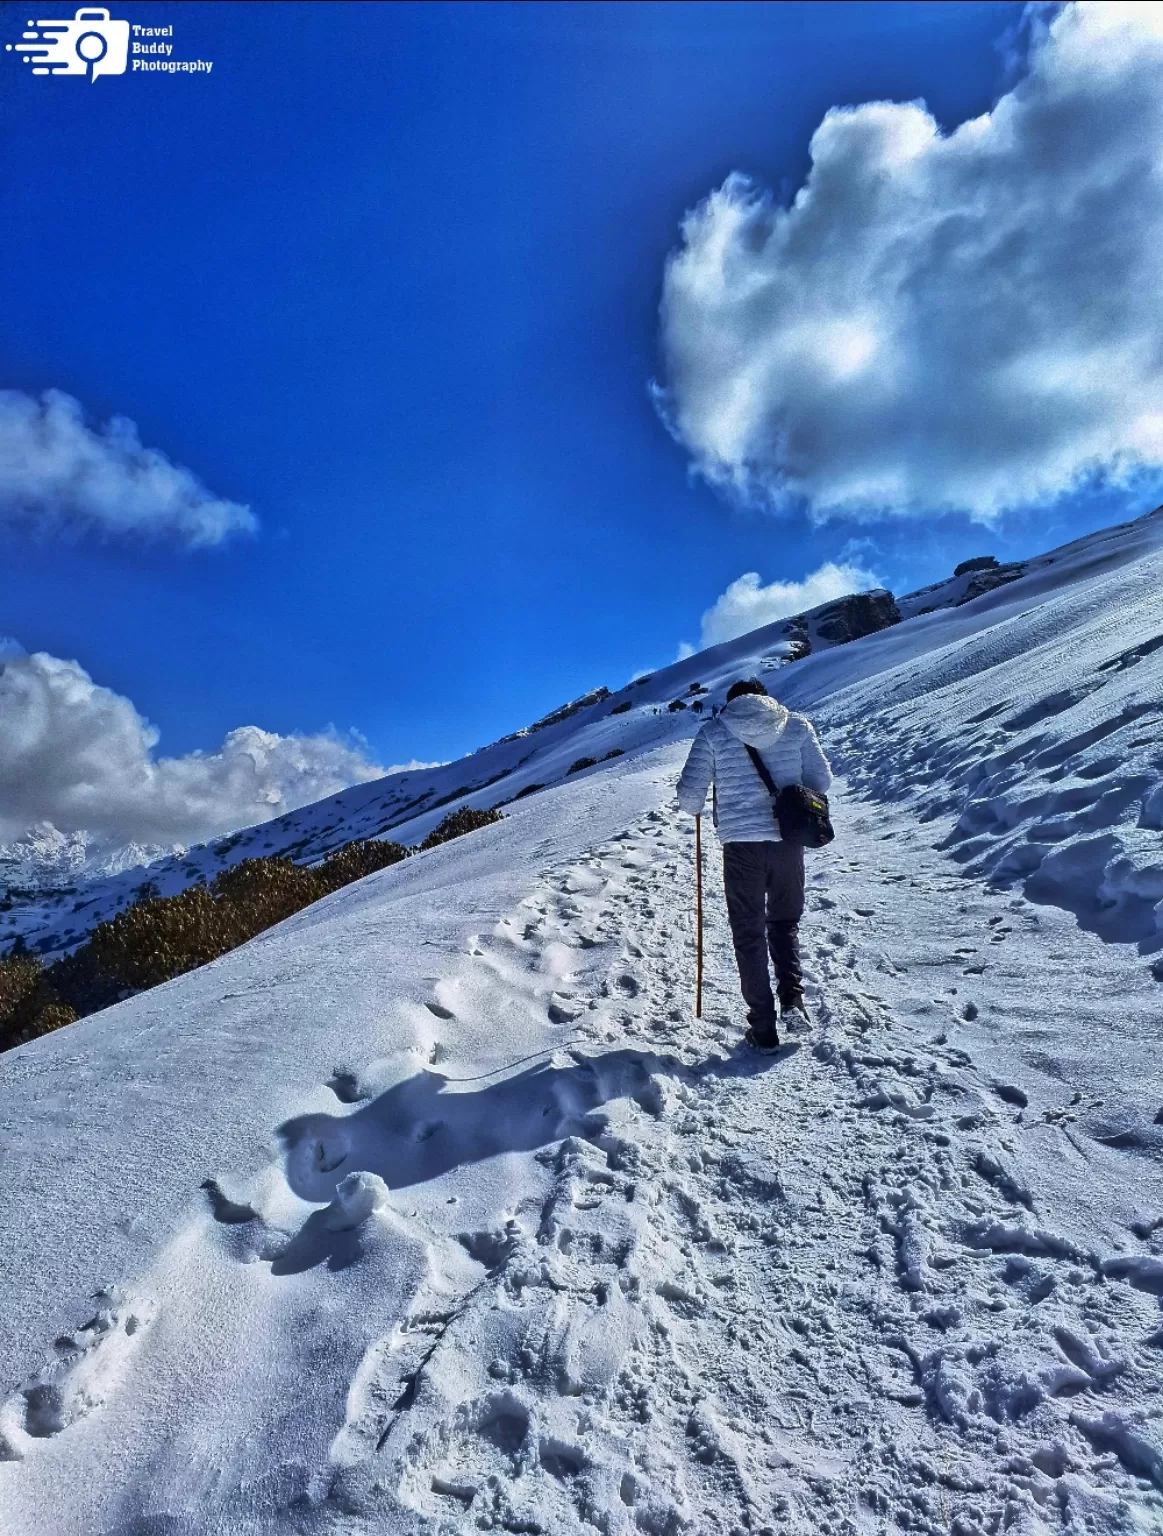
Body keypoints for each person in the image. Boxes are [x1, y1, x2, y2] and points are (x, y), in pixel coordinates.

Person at [676, 677, 833, 1052]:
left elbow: (689, 799)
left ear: (731, 703)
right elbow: (822, 781)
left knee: (748, 932)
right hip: (787, 841)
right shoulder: (795, 725)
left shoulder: (714, 732)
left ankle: (762, 1028)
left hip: (741, 846)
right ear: (765, 698)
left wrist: (701, 803)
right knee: (784, 923)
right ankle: (793, 1002)